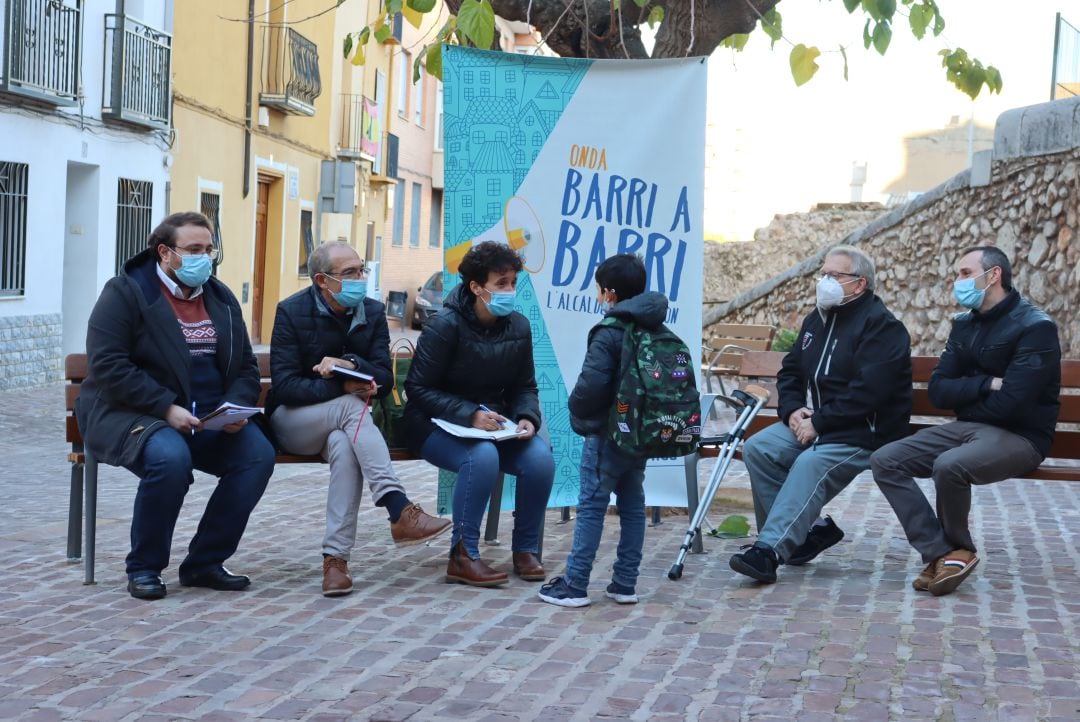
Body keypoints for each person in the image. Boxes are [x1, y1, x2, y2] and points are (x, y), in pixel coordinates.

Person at [76, 212, 276, 600]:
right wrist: (166, 408)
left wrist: (234, 407)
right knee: (169, 459)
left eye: (209, 250)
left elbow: (245, 366)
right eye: (194, 250)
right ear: (165, 252)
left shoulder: (219, 297)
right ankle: (145, 568)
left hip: (208, 418)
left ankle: (204, 562)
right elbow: (108, 365)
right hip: (136, 413)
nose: (205, 258)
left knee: (257, 455)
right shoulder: (127, 292)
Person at [870, 246, 1060, 596]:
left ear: (993, 275)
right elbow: (940, 391)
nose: (956, 281)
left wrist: (969, 399)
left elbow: (1013, 405)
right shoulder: (963, 325)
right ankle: (943, 552)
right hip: (968, 429)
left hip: (1021, 436)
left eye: (963, 273)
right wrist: (987, 383)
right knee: (885, 460)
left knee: (949, 465)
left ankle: (959, 547)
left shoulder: (1035, 327)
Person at [267, 241, 452, 597]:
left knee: (345, 444)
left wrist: (351, 365)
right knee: (352, 407)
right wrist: (342, 385)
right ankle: (398, 508)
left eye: (361, 270)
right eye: (349, 273)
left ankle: (335, 562)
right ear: (322, 280)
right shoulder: (291, 311)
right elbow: (286, 386)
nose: (360, 278)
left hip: (341, 428)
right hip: (293, 423)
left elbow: (382, 380)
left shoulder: (370, 310)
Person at [729, 245, 912, 584]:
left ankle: (768, 551)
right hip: (820, 421)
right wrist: (793, 411)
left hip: (865, 431)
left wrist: (819, 423)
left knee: (809, 463)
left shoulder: (882, 327)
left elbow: (869, 393)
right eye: (823, 274)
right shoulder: (818, 319)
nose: (824, 282)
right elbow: (791, 372)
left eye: (834, 275)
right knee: (759, 448)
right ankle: (807, 535)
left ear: (859, 284)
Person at [404, 241, 555, 587]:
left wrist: (527, 418)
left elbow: (525, 386)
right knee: (482, 457)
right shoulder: (444, 325)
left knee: (540, 460)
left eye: (513, 283)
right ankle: (463, 555)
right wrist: (470, 414)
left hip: (491, 424)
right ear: (476, 287)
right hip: (429, 423)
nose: (510, 291)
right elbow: (419, 389)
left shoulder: (518, 326)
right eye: (501, 283)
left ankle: (526, 550)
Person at [538, 254, 659, 608]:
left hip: (607, 433)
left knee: (592, 505)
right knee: (633, 504)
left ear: (608, 293)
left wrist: (576, 410)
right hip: (638, 434)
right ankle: (625, 584)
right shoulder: (654, 326)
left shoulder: (610, 331)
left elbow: (591, 386)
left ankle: (575, 584)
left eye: (599, 290)